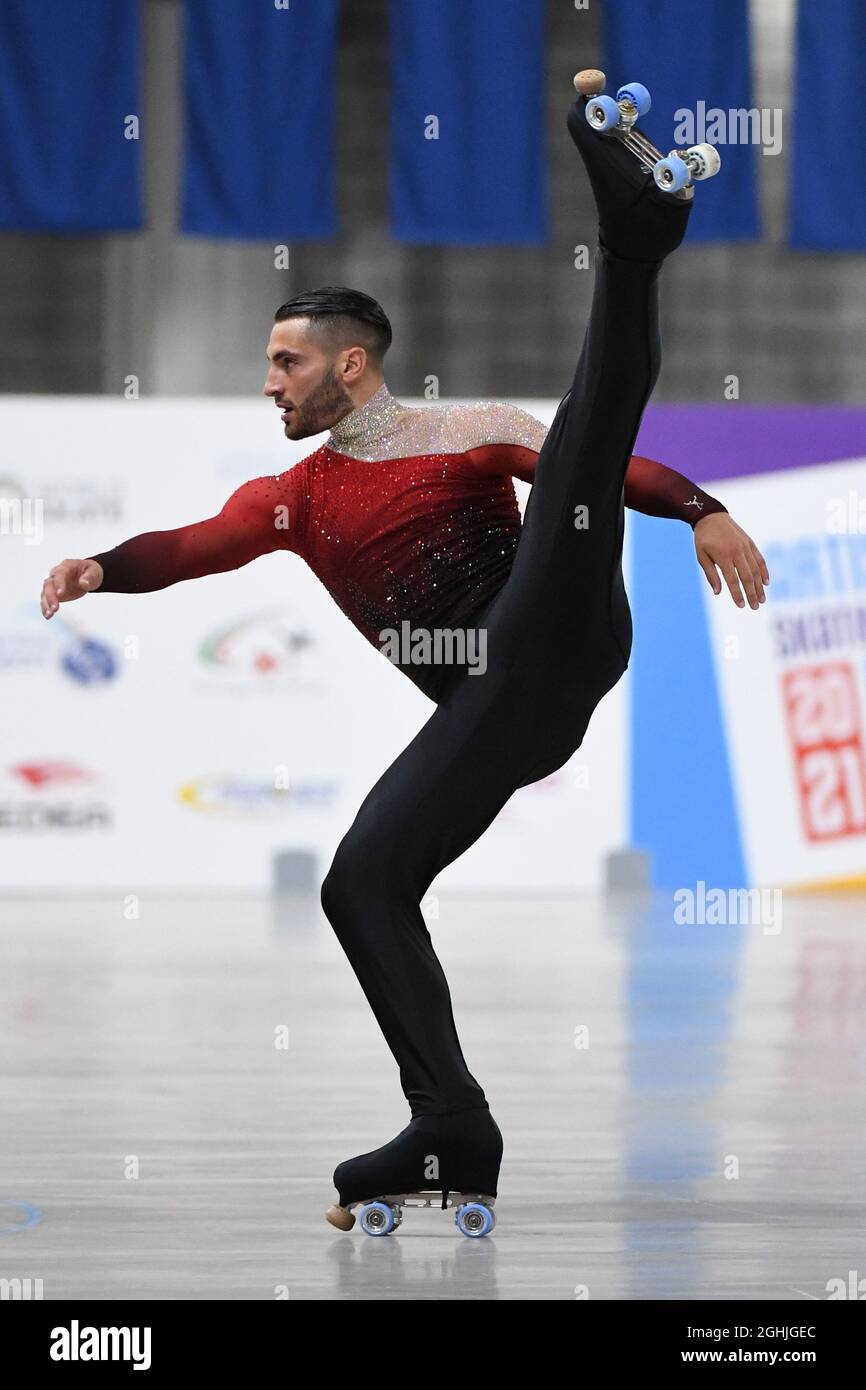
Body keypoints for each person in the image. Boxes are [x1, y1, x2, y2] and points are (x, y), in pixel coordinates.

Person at [40, 88, 768, 1228]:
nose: (269, 380)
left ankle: (632, 240)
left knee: (577, 442)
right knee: (362, 882)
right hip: (491, 701)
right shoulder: (288, 500)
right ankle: (450, 1127)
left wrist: (701, 508)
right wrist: (101, 565)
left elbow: (597, 468)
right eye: (268, 363)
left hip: (552, 624)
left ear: (354, 367)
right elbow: (191, 546)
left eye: (287, 362)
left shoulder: (459, 428)